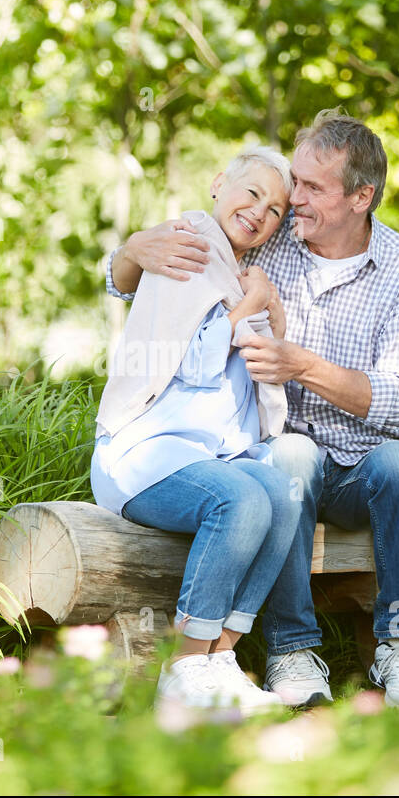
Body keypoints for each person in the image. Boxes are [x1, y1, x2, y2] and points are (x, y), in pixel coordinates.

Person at [106, 109, 399, 709]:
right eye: (294, 185)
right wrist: (128, 249)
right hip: (281, 448)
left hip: (363, 460)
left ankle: (398, 647)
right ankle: (290, 649)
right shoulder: (271, 235)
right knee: (286, 459)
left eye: (311, 189)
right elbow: (158, 283)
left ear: (362, 197)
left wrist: (301, 364)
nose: (292, 200)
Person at [92, 145, 297, 716]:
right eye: (251, 192)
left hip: (199, 459)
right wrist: (248, 307)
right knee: (241, 501)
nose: (259, 211)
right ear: (217, 183)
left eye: (276, 209)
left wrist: (261, 311)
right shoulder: (189, 246)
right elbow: (196, 364)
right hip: (142, 454)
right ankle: (181, 670)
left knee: (282, 493)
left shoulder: (237, 274)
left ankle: (219, 660)